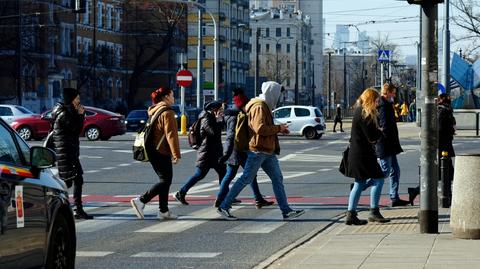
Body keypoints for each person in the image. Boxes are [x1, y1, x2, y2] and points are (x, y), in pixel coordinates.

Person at [217, 81, 305, 221]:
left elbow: (263, 126)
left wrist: (279, 129)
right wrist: (278, 128)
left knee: (277, 179)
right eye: (277, 94)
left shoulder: (263, 105)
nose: (278, 98)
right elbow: (259, 129)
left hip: (266, 150)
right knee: (246, 178)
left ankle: (286, 211)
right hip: (258, 150)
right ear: (271, 93)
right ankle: (224, 206)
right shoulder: (259, 106)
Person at [215, 89, 274, 208]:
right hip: (237, 151)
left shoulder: (237, 114)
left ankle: (222, 199)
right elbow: (231, 136)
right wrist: (226, 154)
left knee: (237, 175)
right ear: (242, 105)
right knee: (245, 175)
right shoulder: (236, 117)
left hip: (237, 150)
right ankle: (222, 199)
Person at [131, 87, 181, 220]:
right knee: (165, 181)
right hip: (161, 151)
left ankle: (163, 211)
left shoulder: (155, 110)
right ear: (165, 97)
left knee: (164, 180)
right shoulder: (167, 112)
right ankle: (141, 200)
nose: (173, 98)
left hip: (153, 151)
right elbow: (171, 135)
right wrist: (176, 154)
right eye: (172, 95)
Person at [343, 88, 390, 225]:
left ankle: (351, 214)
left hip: (357, 153)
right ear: (371, 100)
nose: (377, 104)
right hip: (363, 154)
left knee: (360, 183)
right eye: (376, 101)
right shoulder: (365, 114)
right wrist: (379, 132)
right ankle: (373, 211)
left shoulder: (359, 111)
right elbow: (372, 137)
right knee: (379, 179)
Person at [408, 93, 456, 205]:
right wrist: (450, 131)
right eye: (449, 99)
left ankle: (447, 195)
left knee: (444, 172)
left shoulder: (444, 110)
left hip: (444, 145)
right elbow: (440, 128)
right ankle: (446, 196)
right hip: (443, 146)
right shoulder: (443, 111)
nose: (451, 100)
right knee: (443, 172)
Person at [52, 88, 92, 219]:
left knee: (68, 182)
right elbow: (75, 129)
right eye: (77, 99)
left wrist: (78, 114)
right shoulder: (63, 114)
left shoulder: (66, 111)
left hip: (68, 151)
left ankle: (66, 208)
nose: (79, 102)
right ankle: (77, 209)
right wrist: (81, 115)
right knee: (76, 179)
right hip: (66, 152)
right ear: (70, 99)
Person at [175, 100, 226, 205]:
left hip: (214, 152)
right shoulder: (206, 119)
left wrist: (219, 120)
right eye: (219, 109)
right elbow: (213, 133)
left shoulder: (210, 117)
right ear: (213, 110)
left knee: (223, 173)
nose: (221, 112)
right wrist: (219, 120)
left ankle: (223, 196)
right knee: (199, 174)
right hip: (207, 153)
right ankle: (181, 192)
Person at [374, 83, 410, 207]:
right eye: (393, 92)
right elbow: (384, 126)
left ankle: (394, 197)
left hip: (390, 145)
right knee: (385, 171)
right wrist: (389, 140)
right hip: (385, 145)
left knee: (395, 171)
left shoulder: (387, 104)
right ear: (387, 92)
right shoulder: (382, 106)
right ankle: (361, 185)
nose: (394, 95)